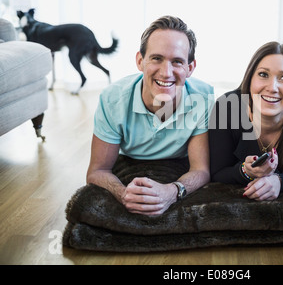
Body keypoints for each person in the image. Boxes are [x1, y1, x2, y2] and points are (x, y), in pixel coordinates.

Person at [87, 16, 214, 216]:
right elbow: (98, 171)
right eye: (157, 58)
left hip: (177, 164)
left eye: (177, 62)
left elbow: (201, 170)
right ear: (140, 61)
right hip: (130, 159)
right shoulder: (112, 99)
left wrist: (172, 192)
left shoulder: (204, 98)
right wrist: (124, 194)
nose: (166, 72)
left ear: (190, 68)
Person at [208, 42, 283, 201]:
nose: (272, 87)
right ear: (250, 80)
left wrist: (280, 181)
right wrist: (246, 171)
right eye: (263, 74)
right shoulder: (226, 107)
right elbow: (217, 172)